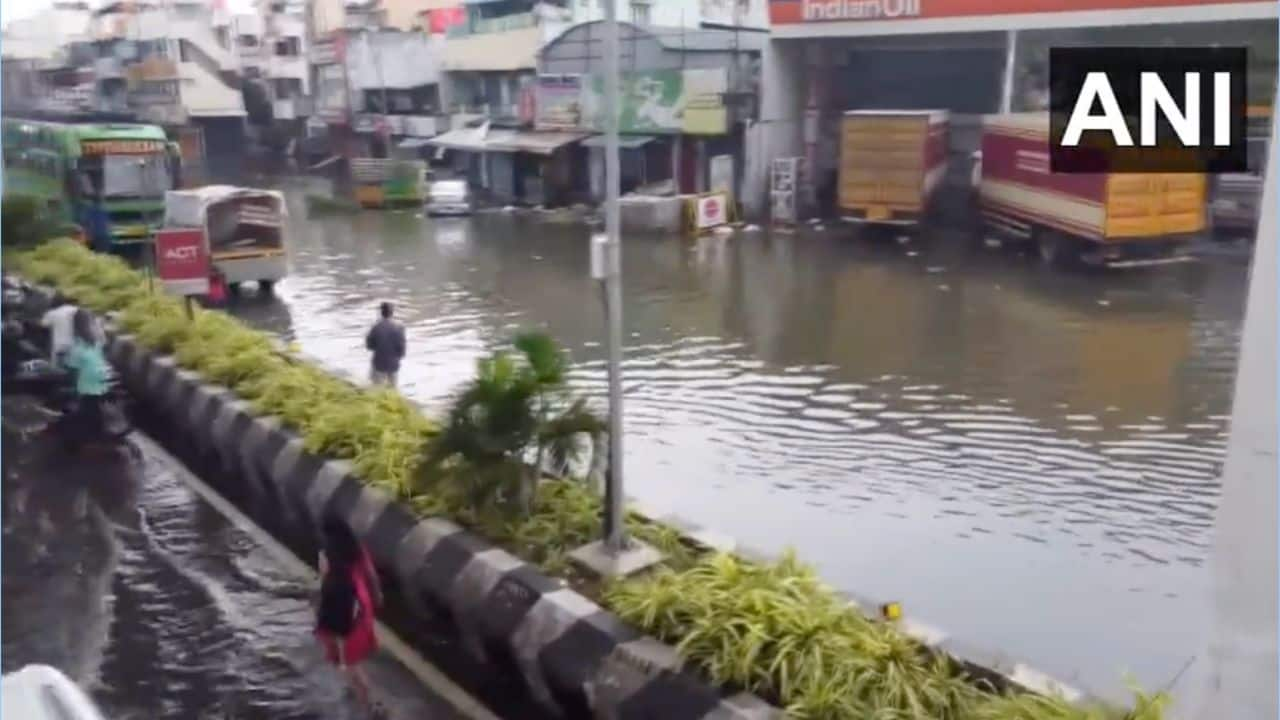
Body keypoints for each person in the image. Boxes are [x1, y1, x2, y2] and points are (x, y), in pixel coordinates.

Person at [315, 516, 384, 716]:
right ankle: (358, 688)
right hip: (360, 601)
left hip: (338, 605)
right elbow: (371, 574)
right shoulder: (357, 549)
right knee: (353, 652)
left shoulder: (326, 553)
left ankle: (368, 702)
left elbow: (324, 581)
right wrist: (377, 594)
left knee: (346, 658)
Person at [62, 309, 109, 441]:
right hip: (101, 377)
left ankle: (92, 434)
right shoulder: (97, 340)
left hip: (87, 382)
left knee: (88, 407)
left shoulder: (77, 346)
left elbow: (73, 370)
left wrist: (74, 389)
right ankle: (97, 429)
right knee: (94, 406)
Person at [364, 302, 405, 387]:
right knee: (393, 390)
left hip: (378, 364)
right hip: (393, 365)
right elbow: (402, 352)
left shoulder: (375, 327)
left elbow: (369, 346)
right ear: (392, 313)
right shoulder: (400, 328)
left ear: (381, 313)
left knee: (376, 388)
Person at [40, 298, 79, 367]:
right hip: (76, 345)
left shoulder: (53, 313)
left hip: (59, 344)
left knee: (58, 368)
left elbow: (43, 324)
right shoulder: (79, 311)